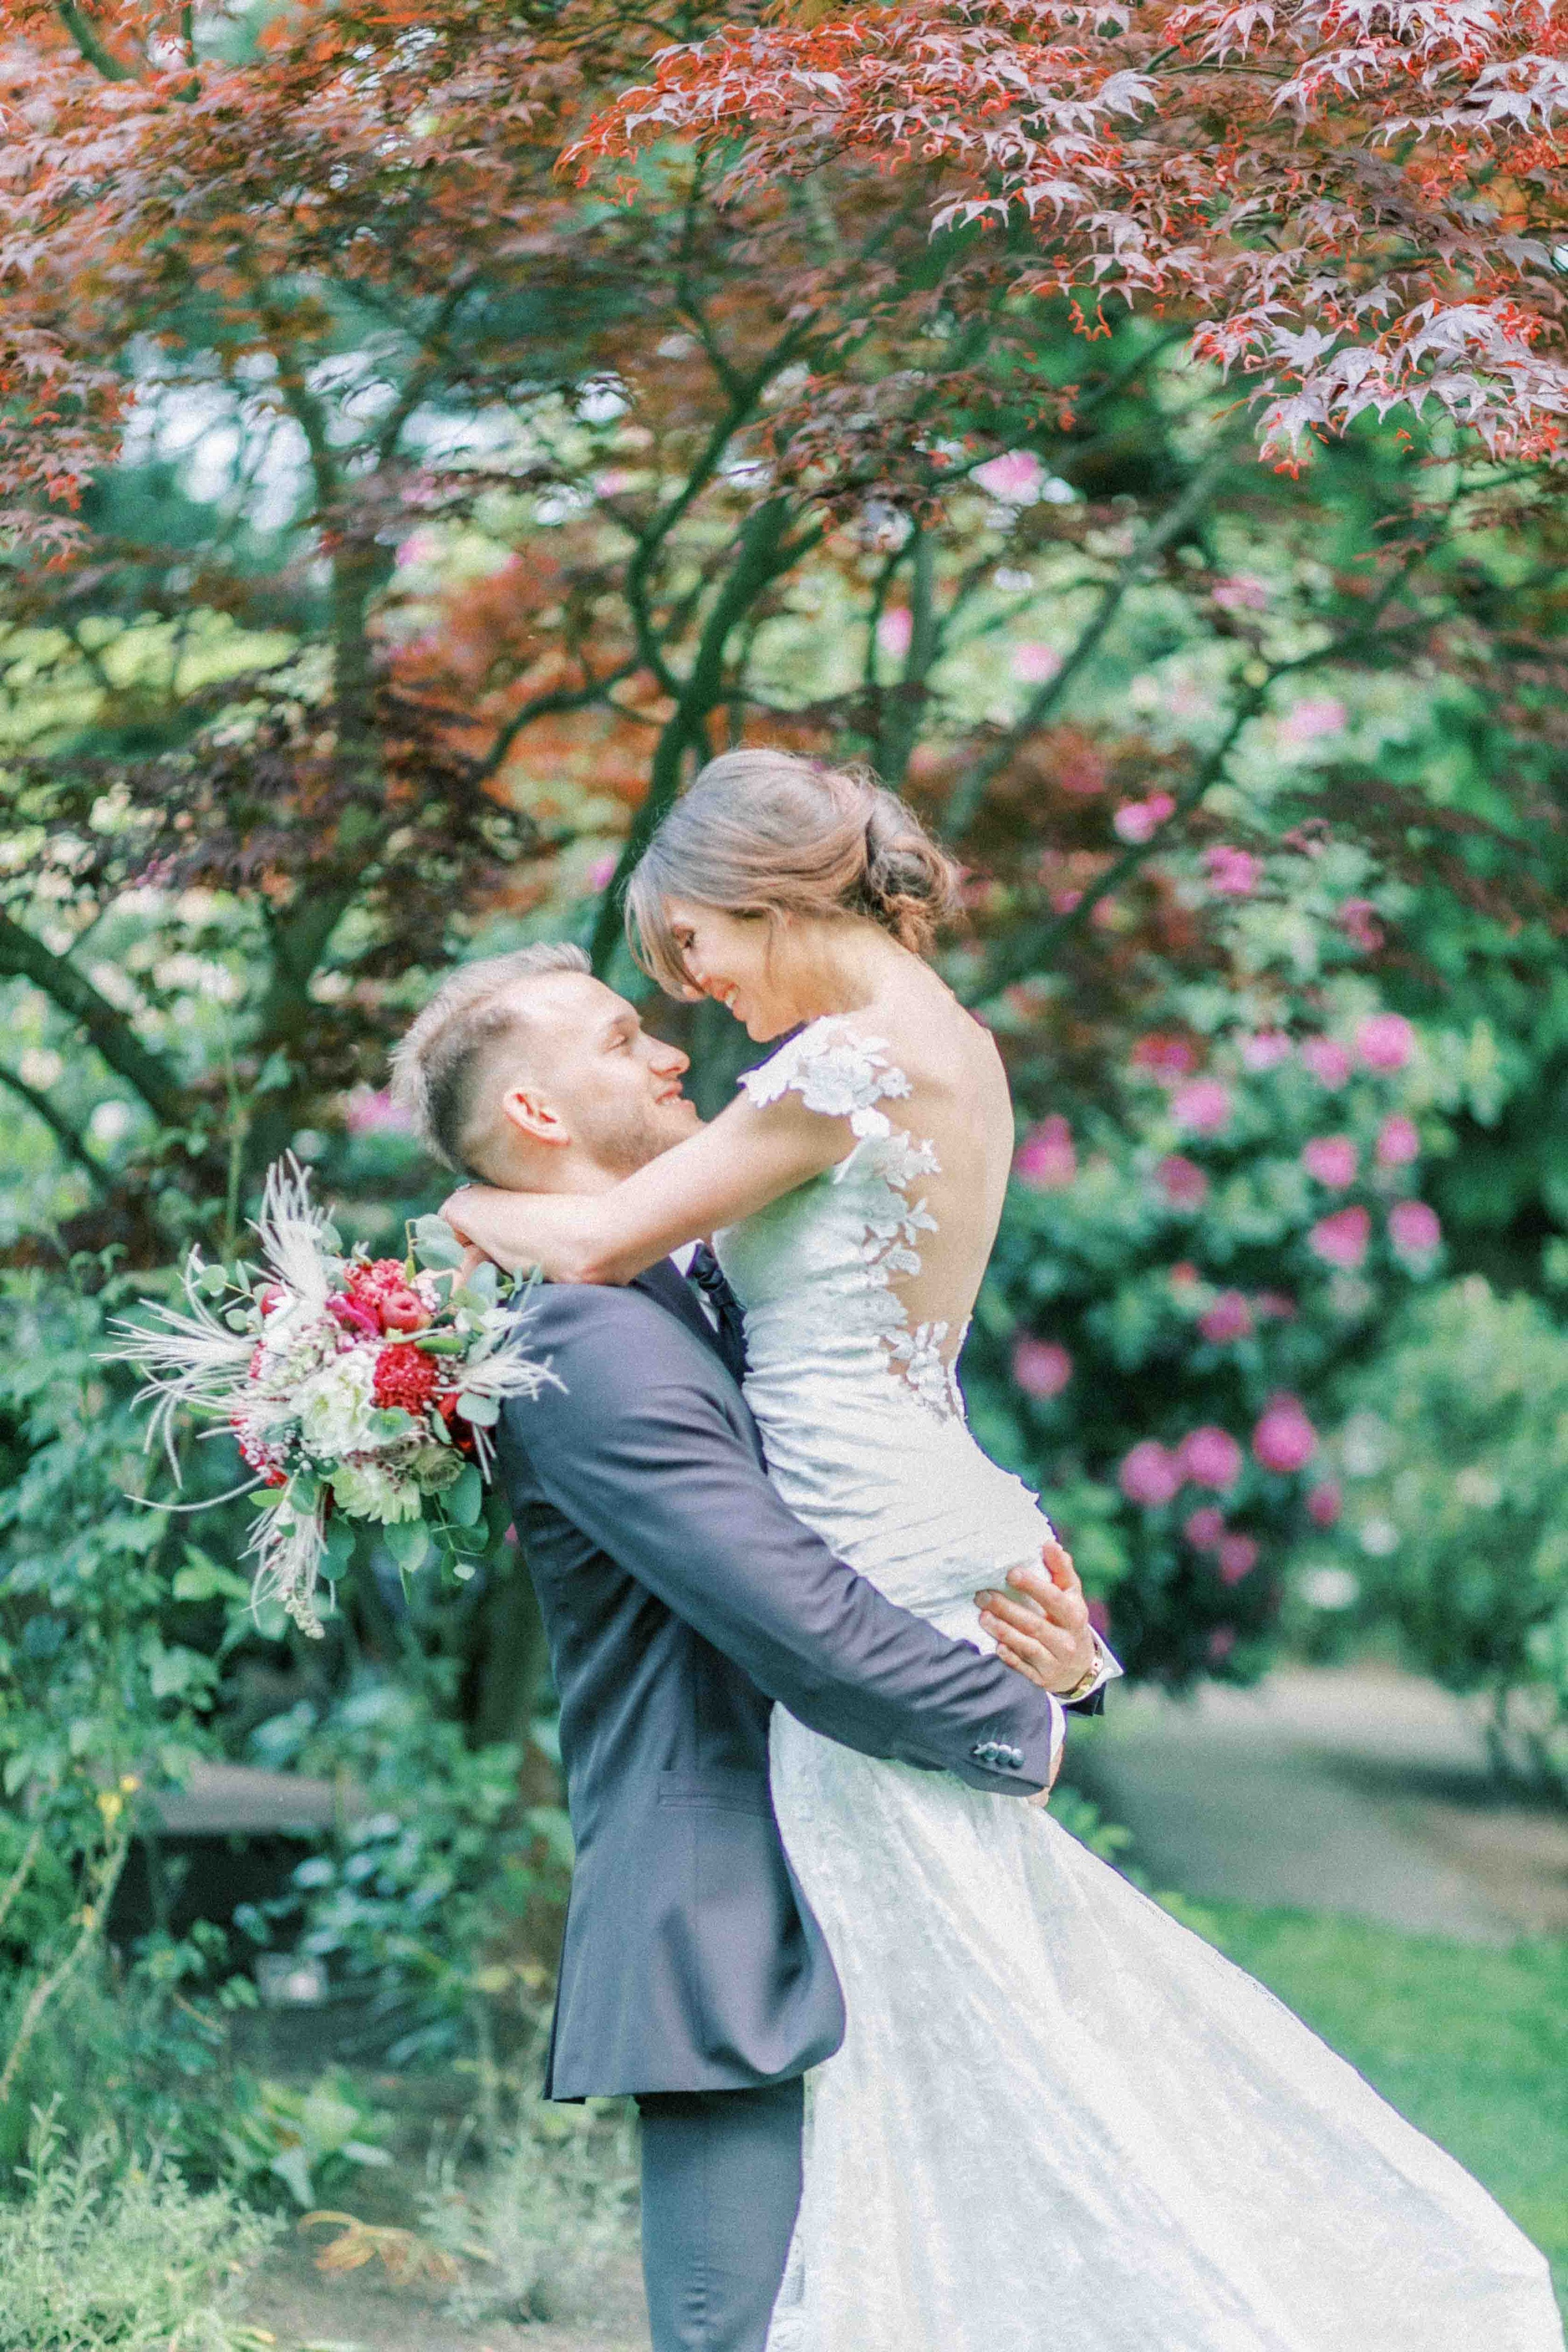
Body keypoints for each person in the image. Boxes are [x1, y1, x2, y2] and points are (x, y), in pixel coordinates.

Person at [441, 749, 1564, 2352]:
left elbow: (609, 1239)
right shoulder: (932, 1047)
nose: (692, 997)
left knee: (977, 2035)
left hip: (881, 1569)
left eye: (688, 950)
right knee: (985, 2027)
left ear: (757, 896)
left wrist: (434, 1266)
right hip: (922, 1514)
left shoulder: (839, 1067)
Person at [389, 942, 1117, 2352]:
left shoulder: (671, 1287)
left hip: (844, 1849)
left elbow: (863, 1486)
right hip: (725, 1893)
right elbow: (789, 1606)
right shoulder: (586, 1349)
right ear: (538, 1117)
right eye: (617, 1040)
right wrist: (1013, 1726)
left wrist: (1060, 1658)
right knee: (739, 2331)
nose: (668, 1050)